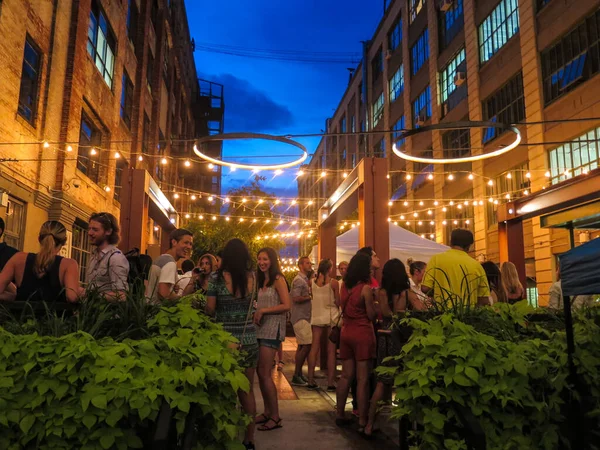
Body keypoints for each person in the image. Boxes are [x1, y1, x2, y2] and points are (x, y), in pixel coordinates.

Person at [205, 239, 258, 450]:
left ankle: (225, 437)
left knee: (225, 392)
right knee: (247, 391)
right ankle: (249, 440)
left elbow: (210, 309)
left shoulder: (216, 278)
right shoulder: (253, 277)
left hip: (224, 341)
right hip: (249, 340)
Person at [365, 258, 427, 437]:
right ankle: (407, 428)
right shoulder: (406, 293)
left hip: (384, 338)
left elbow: (383, 313)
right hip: (401, 340)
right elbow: (422, 309)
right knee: (404, 382)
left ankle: (369, 424)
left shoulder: (381, 292)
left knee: (381, 383)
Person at [335, 253, 377, 432]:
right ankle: (362, 420)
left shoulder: (344, 286)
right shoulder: (365, 289)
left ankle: (339, 414)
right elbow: (371, 315)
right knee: (362, 380)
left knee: (345, 376)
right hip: (362, 334)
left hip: (346, 332)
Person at [254, 247, 291, 431]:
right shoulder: (262, 279)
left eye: (265, 259)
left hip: (272, 330)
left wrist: (263, 310)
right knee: (261, 374)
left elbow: (287, 304)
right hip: (260, 330)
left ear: (272, 260)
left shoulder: (278, 279)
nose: (262, 262)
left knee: (265, 373)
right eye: (259, 259)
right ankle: (267, 411)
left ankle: (275, 416)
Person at [0, 221, 81, 303]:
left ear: (39, 239)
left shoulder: (18, 258)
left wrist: (15, 297)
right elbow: (72, 297)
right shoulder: (69, 265)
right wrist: (82, 293)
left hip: (23, 314)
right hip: (54, 315)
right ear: (63, 242)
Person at [422, 229, 490, 307]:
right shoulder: (477, 266)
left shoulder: (436, 259)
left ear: (451, 243)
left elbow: (425, 288)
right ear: (469, 246)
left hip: (441, 315)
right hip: (468, 315)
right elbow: (484, 299)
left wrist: (438, 295)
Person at [307, 258, 340, 390]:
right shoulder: (334, 283)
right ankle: (330, 382)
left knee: (314, 348)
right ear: (330, 269)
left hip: (316, 316)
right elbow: (338, 302)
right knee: (331, 350)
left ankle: (310, 379)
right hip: (331, 317)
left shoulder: (311, 282)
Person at [85, 212, 130, 301]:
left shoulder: (116, 258)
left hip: (108, 313)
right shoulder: (93, 255)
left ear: (108, 231)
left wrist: (91, 295)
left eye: (95, 229)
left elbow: (121, 295)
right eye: (89, 228)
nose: (90, 233)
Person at [146, 228, 193, 303]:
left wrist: (171, 288)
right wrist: (180, 300)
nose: (189, 247)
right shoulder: (170, 263)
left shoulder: (160, 259)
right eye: (186, 243)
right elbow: (163, 293)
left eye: (190, 244)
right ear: (174, 242)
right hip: (159, 311)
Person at [290, 256, 313, 386]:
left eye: (310, 262)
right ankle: (296, 374)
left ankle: (298, 374)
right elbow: (296, 298)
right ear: (300, 265)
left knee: (302, 345)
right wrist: (309, 297)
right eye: (307, 263)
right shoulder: (299, 280)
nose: (310, 265)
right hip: (300, 317)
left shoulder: (304, 280)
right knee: (306, 345)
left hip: (303, 316)